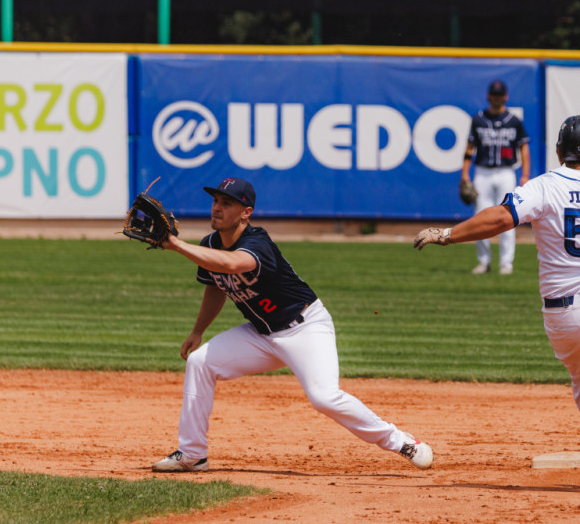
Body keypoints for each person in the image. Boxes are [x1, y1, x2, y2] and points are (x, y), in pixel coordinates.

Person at [416, 115, 580, 479]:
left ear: (560, 151)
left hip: (566, 311)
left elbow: (500, 217)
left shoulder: (546, 186)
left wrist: (447, 234)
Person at [151, 176, 433, 472]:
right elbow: (216, 283)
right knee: (200, 362)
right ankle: (192, 453)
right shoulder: (210, 244)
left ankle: (402, 441)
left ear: (246, 212)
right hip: (260, 335)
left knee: (324, 398)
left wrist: (175, 245)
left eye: (227, 203)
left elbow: (232, 265)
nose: (217, 208)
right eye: (215, 201)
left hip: (305, 328)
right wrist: (198, 331)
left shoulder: (258, 243)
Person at [460, 79, 531, 275]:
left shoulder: (513, 121)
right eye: (494, 94)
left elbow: (524, 147)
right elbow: (469, 148)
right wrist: (465, 174)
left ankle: (506, 263)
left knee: (508, 217)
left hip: (506, 172)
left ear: (505, 96)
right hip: (482, 171)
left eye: (500, 95)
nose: (497, 98)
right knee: (480, 217)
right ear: (489, 96)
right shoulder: (479, 119)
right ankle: (484, 261)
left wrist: (525, 174)